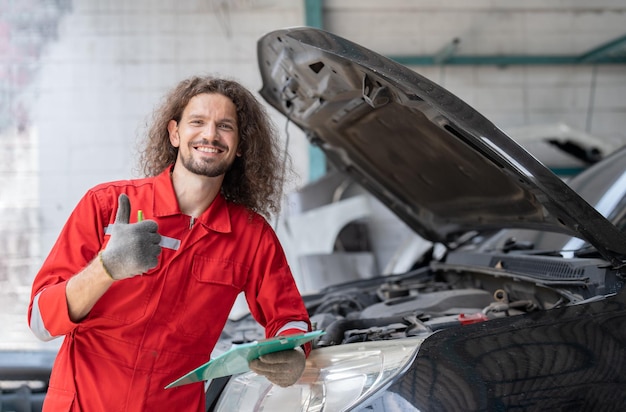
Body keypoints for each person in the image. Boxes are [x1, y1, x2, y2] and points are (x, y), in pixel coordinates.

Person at [28, 75, 312, 411]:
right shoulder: (106, 205)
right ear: (175, 133)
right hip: (83, 403)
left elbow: (289, 318)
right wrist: (105, 269)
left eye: (225, 126)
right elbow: (41, 322)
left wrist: (292, 351)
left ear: (240, 147)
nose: (210, 135)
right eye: (198, 122)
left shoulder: (251, 236)